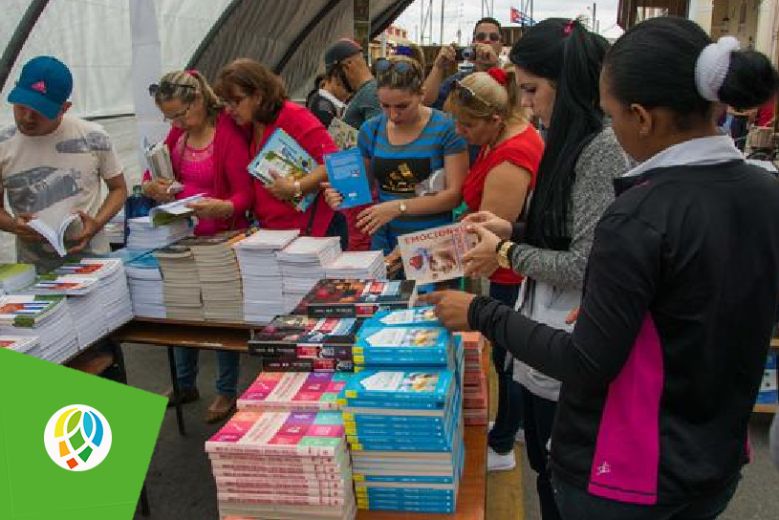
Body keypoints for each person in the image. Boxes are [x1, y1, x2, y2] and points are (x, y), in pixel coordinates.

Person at [427, 16, 779, 520]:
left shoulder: (640, 213)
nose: (610, 130)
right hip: (714, 457)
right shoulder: (764, 192)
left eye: (612, 115)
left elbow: (586, 364)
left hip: (628, 473)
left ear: (642, 117)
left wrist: (481, 312)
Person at [433, 18, 625, 520]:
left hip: (570, 342)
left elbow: (585, 263)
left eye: (534, 90)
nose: (528, 103)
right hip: (548, 333)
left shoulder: (599, 149)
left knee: (561, 478)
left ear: (568, 87)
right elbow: (561, 232)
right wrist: (511, 228)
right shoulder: (566, 141)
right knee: (545, 466)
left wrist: (504, 252)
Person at [444, 67, 544, 472]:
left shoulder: (511, 155)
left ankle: (501, 446)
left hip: (511, 276)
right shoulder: (504, 137)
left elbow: (489, 242)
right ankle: (514, 426)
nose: (460, 131)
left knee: (509, 361)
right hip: (513, 271)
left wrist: (427, 253)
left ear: (494, 119)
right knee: (513, 360)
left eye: (467, 124)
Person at [142, 69, 254, 423]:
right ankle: (184, 382)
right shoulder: (180, 132)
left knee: (221, 317)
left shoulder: (227, 135)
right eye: (169, 116)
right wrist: (152, 187)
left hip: (220, 239)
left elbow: (244, 192)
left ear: (200, 100)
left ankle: (225, 391)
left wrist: (225, 207)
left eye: (180, 113)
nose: (175, 122)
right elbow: (151, 173)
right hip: (181, 236)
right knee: (180, 310)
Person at [323, 55, 468, 255]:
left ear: (421, 94)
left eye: (402, 106)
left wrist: (398, 207)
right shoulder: (371, 130)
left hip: (433, 244)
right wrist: (339, 194)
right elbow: (360, 186)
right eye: (384, 106)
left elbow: (454, 196)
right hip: (385, 241)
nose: (393, 115)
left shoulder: (446, 128)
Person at [0, 56, 127, 274]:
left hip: (93, 262)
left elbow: (118, 188)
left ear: (64, 108)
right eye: (22, 106)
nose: (28, 117)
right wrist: (14, 226)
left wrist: (97, 222)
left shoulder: (93, 137)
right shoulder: (4, 144)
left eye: (40, 111)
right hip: (33, 269)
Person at [215, 59, 347, 247]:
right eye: (226, 103)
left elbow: (334, 162)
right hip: (276, 232)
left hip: (313, 232)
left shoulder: (293, 116)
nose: (230, 110)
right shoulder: (252, 126)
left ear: (258, 96)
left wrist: (296, 187)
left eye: (236, 101)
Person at [422, 17, 504, 111]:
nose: (487, 41)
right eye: (481, 37)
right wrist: (438, 67)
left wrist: (495, 66)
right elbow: (424, 103)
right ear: (473, 43)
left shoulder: (511, 78)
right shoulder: (459, 81)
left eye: (493, 37)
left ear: (501, 45)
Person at [324, 39, 381, 130]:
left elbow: (377, 137)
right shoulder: (366, 92)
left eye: (336, 75)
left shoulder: (371, 93)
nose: (338, 82)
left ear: (348, 65)